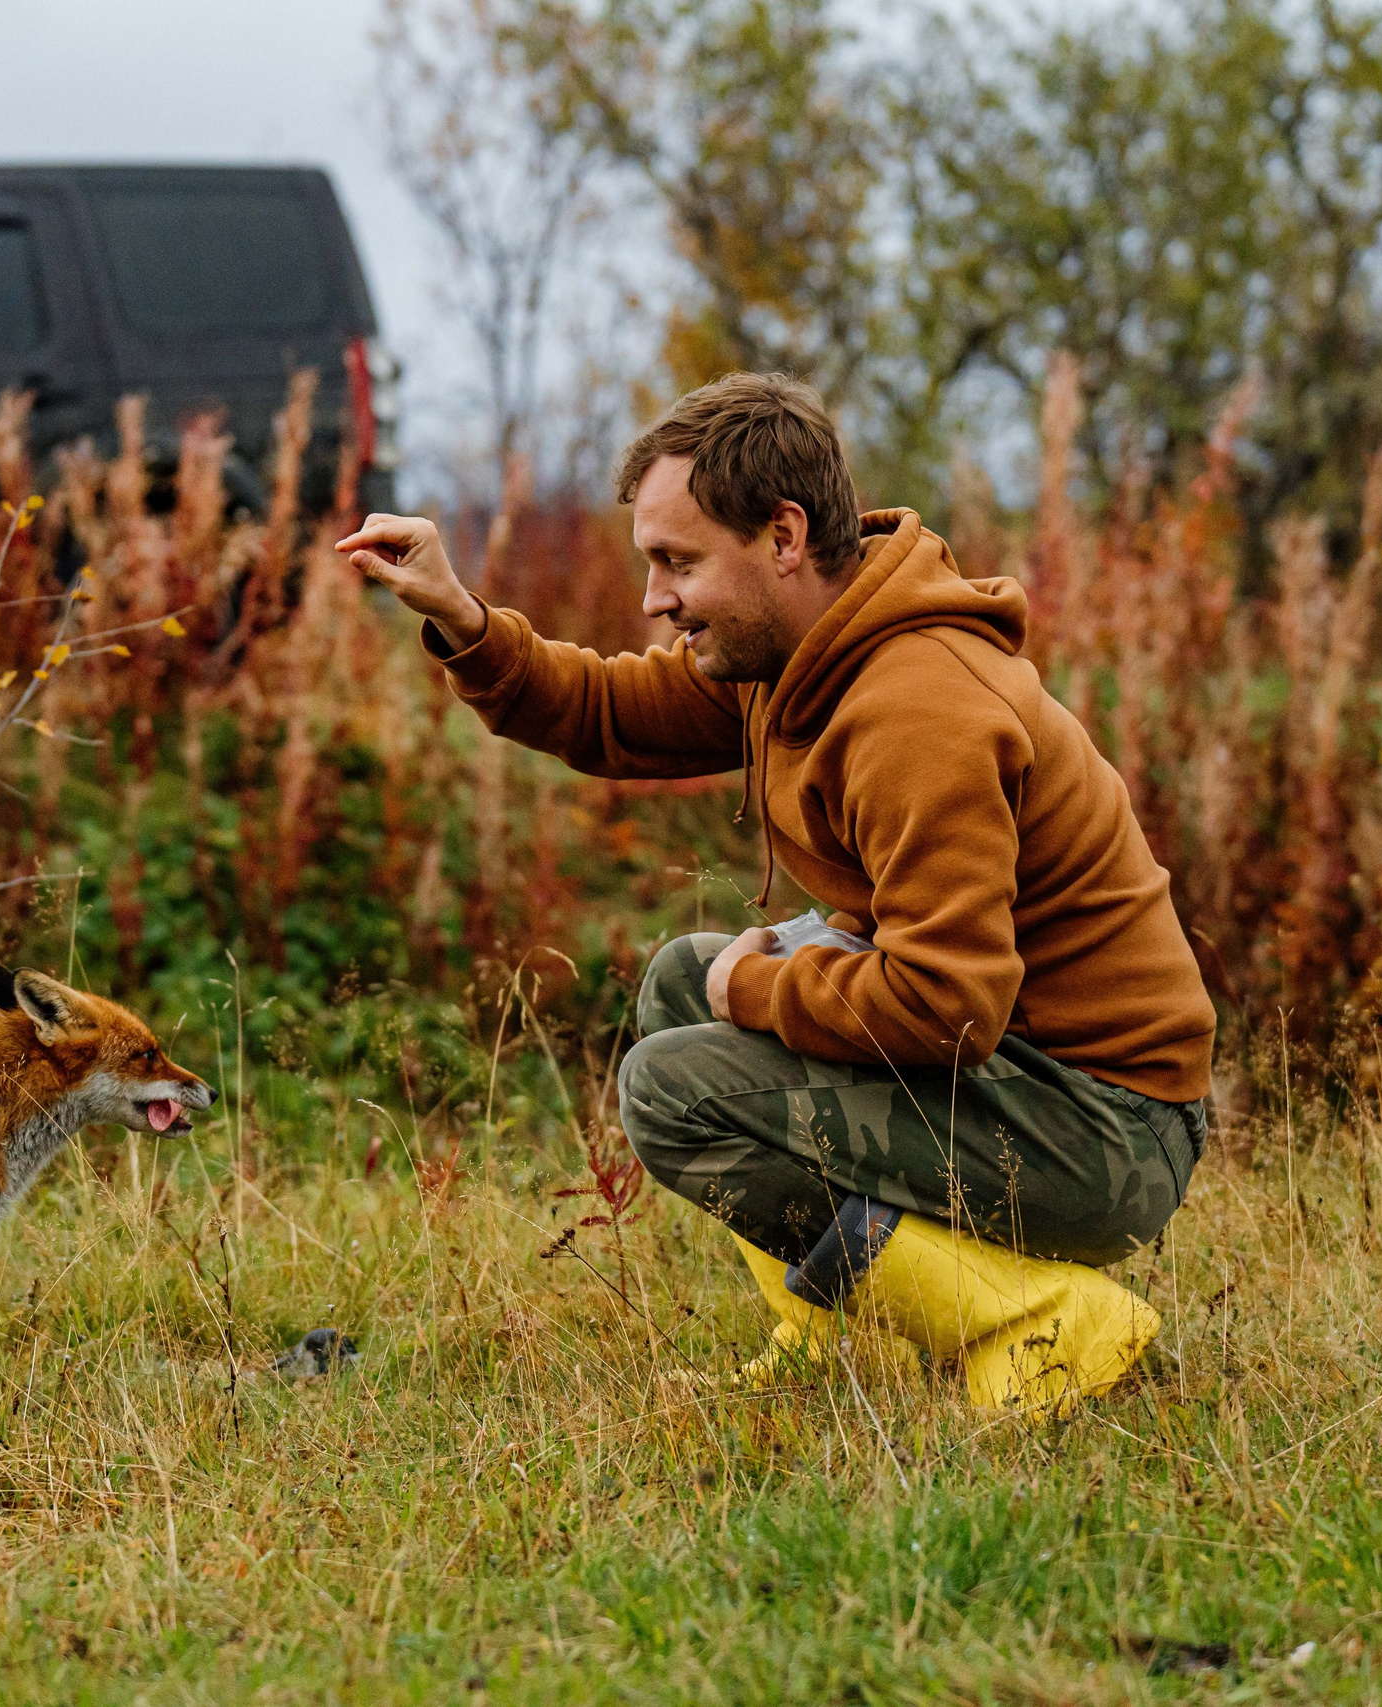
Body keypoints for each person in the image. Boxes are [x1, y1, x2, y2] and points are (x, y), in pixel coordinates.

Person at [337, 373, 1215, 1412]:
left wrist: (754, 991)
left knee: (675, 1085)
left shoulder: (915, 710)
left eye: (678, 561)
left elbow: (947, 1008)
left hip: (1102, 1131)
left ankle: (1036, 1321)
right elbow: (607, 714)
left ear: (784, 537)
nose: (655, 598)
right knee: (679, 983)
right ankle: (836, 1333)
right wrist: (460, 615)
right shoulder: (797, 655)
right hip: (1022, 1082)